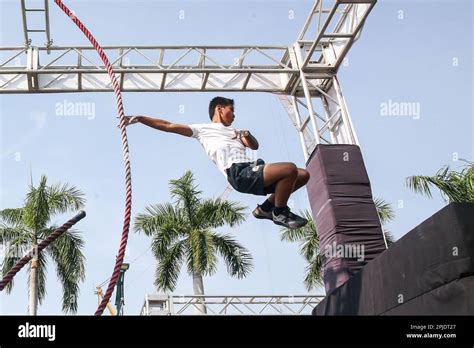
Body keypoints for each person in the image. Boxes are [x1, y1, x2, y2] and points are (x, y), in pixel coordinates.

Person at [124, 96, 309, 229]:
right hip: (239, 173)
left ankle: (266, 209)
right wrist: (141, 119)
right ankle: (279, 212)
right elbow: (169, 126)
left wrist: (245, 134)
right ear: (219, 108)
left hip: (252, 169)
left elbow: (254, 145)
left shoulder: (235, 132)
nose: (234, 115)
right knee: (289, 169)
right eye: (231, 110)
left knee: (302, 175)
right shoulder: (202, 129)